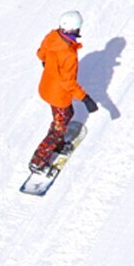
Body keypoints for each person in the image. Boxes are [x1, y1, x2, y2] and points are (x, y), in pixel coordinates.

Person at [30, 10, 98, 172]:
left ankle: (58, 145)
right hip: (57, 94)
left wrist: (48, 62)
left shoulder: (52, 36)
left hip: (47, 86)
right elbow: (68, 81)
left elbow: (41, 53)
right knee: (58, 128)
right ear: (76, 29)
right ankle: (38, 162)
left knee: (67, 114)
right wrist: (85, 98)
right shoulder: (68, 53)